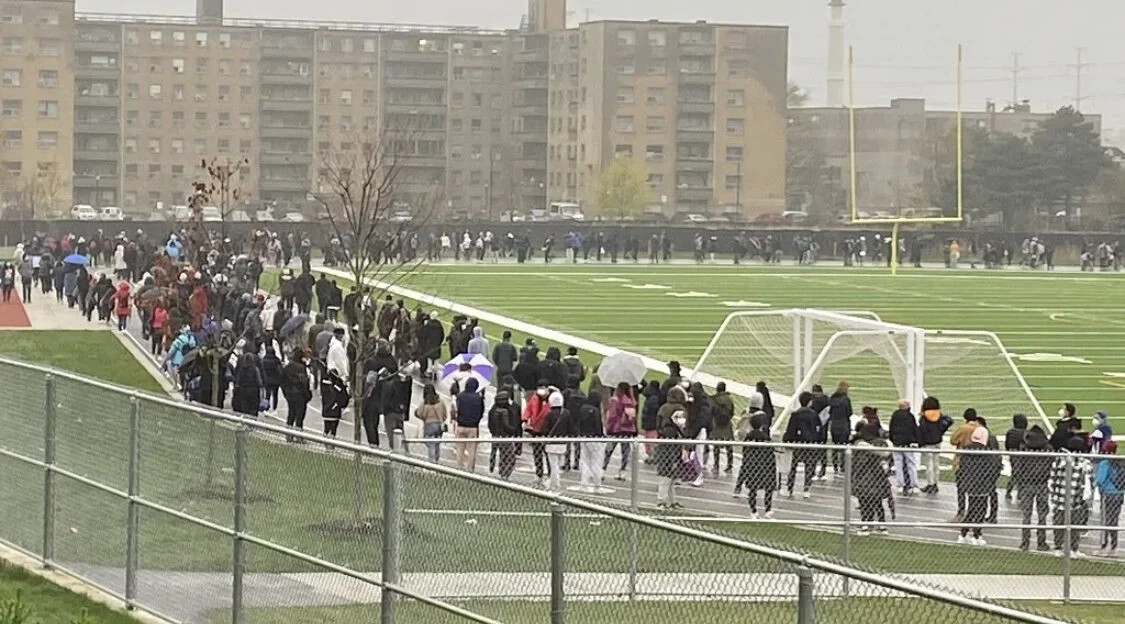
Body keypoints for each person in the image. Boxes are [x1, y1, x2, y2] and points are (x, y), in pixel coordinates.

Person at [1050, 436, 1095, 556]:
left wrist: (1053, 493)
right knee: (1070, 525)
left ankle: (1064, 548)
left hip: (1065, 499)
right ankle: (1068, 548)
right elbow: (1089, 476)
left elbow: (1052, 479)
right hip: (1072, 499)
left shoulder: (1060, 461)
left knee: (1064, 524)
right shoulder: (1081, 463)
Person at [957, 426, 998, 545]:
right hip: (983, 485)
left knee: (971, 510)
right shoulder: (986, 453)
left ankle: (964, 534)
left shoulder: (967, 451)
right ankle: (976, 535)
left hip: (970, 484)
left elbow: (963, 468)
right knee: (981, 510)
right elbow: (991, 469)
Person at [1016, 425, 1053, 551]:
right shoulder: (1047, 448)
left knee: (1026, 515)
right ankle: (1041, 542)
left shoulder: (1024, 447)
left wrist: (1020, 481)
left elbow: (1018, 466)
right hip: (1042, 484)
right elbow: (1050, 464)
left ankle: (1025, 542)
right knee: (1042, 515)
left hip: (1027, 484)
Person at [734, 413, 777, 518]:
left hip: (751, 466)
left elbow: (745, 452)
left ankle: (753, 510)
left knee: (753, 489)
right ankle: (768, 509)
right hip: (764, 466)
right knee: (768, 489)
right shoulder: (765, 437)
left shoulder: (749, 437)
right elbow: (770, 453)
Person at [852, 422, 891, 535]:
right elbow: (886, 454)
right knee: (877, 502)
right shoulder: (881, 443)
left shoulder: (862, 444)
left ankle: (866, 524)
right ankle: (882, 525)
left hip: (865, 477)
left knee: (865, 501)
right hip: (878, 477)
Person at [783, 392, 822, 499]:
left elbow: (791, 429)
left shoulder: (795, 414)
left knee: (794, 465)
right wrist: (818, 441)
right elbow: (818, 430)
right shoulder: (814, 415)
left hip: (798, 443)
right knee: (809, 466)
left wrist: (787, 440)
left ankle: (790, 488)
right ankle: (806, 488)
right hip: (810, 444)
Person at [949, 408, 981, 520]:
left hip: (962, 460)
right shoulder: (980, 429)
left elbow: (952, 440)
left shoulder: (963, 428)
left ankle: (961, 512)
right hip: (978, 462)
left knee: (961, 488)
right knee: (975, 490)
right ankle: (975, 513)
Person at [655, 401, 687, 510]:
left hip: (671, 457)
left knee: (671, 480)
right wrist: (674, 460)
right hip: (668, 458)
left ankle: (672, 500)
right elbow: (671, 448)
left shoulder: (675, 430)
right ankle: (661, 501)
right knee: (666, 479)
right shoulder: (670, 431)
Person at [603, 382, 637, 480]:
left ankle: (602, 470)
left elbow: (612, 416)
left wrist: (608, 427)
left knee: (609, 450)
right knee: (625, 451)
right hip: (628, 429)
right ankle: (622, 471)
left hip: (616, 429)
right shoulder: (631, 401)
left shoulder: (616, 400)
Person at [1095, 440, 1124, 557]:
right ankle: (1114, 545)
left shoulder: (1105, 463)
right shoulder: (1121, 462)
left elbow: (1100, 480)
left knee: (1105, 520)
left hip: (1107, 494)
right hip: (1119, 494)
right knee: (1114, 520)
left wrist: (1097, 486)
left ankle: (1104, 545)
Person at [917, 396, 952, 494]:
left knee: (929, 465)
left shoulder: (924, 417)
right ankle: (936, 483)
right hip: (937, 441)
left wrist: (921, 443)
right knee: (936, 464)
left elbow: (922, 431)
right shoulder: (939, 415)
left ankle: (930, 484)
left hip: (928, 443)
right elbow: (944, 425)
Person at [543, 391, 575, 493]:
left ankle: (554, 485)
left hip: (551, 443)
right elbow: (571, 429)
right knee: (558, 464)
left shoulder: (549, 414)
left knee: (553, 465)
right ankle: (554, 483)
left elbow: (544, 429)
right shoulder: (566, 413)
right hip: (562, 443)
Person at [452, 377, 485, 472]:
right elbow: (481, 411)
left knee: (460, 448)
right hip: (473, 426)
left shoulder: (460, 396)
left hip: (461, 424)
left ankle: (459, 467)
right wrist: (477, 420)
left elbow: (457, 408)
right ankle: (470, 468)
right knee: (472, 449)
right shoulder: (478, 398)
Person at [522, 381, 552, 484]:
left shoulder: (552, 400)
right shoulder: (534, 398)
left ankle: (550, 474)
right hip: (535, 430)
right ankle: (539, 473)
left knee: (547, 453)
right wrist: (525, 420)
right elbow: (528, 410)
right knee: (537, 453)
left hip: (546, 431)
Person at [487, 390, 522, 479]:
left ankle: (498, 471)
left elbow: (490, 424)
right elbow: (507, 425)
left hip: (495, 436)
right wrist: (513, 431)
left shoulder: (493, 410)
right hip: (505, 437)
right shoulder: (505, 412)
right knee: (510, 457)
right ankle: (504, 474)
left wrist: (493, 432)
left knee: (500, 455)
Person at [280, 349, 313, 442]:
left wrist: (286, 393)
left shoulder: (288, 367)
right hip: (300, 395)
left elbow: (282, 380)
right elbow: (303, 382)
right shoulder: (301, 368)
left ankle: (289, 435)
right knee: (300, 416)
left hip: (290, 395)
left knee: (291, 414)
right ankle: (299, 436)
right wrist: (307, 395)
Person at [575, 391, 605, 491]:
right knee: (596, 461)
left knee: (585, 461)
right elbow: (598, 426)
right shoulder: (595, 411)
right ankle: (597, 483)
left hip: (584, 437)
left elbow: (579, 422)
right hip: (595, 439)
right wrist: (601, 436)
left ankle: (584, 482)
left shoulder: (582, 408)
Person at [888, 399, 919, 495]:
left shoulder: (895, 415)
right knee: (911, 464)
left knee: (898, 464)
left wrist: (893, 440)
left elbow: (891, 428)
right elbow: (914, 429)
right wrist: (915, 440)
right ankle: (913, 485)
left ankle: (900, 485)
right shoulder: (910, 416)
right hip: (907, 444)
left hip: (897, 443)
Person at [415, 384, 448, 463]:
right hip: (439, 425)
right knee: (437, 445)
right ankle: (436, 460)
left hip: (429, 425)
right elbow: (445, 415)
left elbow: (419, 413)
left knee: (431, 446)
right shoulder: (440, 401)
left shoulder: (425, 402)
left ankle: (432, 463)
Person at [826, 381, 854, 476]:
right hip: (843, 425)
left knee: (835, 446)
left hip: (834, 425)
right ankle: (842, 467)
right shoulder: (846, 400)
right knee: (843, 447)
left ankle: (835, 467)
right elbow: (849, 412)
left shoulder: (832, 399)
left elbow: (829, 412)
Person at [710, 382, 736, 474]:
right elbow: (732, 412)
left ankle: (716, 465)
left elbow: (711, 411)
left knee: (716, 446)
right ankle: (729, 465)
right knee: (728, 446)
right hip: (727, 425)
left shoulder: (713, 399)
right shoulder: (729, 399)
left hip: (716, 425)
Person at [1004, 413, 1029, 502]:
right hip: (1024, 456)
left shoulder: (1010, 432)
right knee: (1022, 475)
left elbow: (1007, 444)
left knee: (1015, 474)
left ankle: (1009, 492)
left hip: (1013, 455)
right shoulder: (1026, 433)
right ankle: (1019, 494)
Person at [232, 352, 264, 418]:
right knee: (253, 408)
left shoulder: (241, 370)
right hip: (254, 391)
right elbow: (259, 382)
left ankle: (245, 422)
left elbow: (238, 381)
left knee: (245, 407)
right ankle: (252, 422)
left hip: (243, 390)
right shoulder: (255, 369)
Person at [320, 367, 349, 439]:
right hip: (335, 410)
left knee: (326, 428)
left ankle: (325, 440)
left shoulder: (324, 384)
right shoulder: (339, 385)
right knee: (333, 429)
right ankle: (331, 444)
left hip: (326, 410)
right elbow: (344, 396)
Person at [640, 379, 661, 461]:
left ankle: (652, 456)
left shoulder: (652, 398)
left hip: (650, 423)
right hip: (651, 423)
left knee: (650, 441)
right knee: (649, 440)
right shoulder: (655, 397)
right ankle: (651, 455)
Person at [261, 347, 283, 415]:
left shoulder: (263, 360)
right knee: (275, 395)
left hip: (267, 380)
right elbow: (280, 370)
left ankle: (266, 409)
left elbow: (262, 370)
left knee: (267, 395)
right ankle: (274, 409)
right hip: (275, 380)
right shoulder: (276, 360)